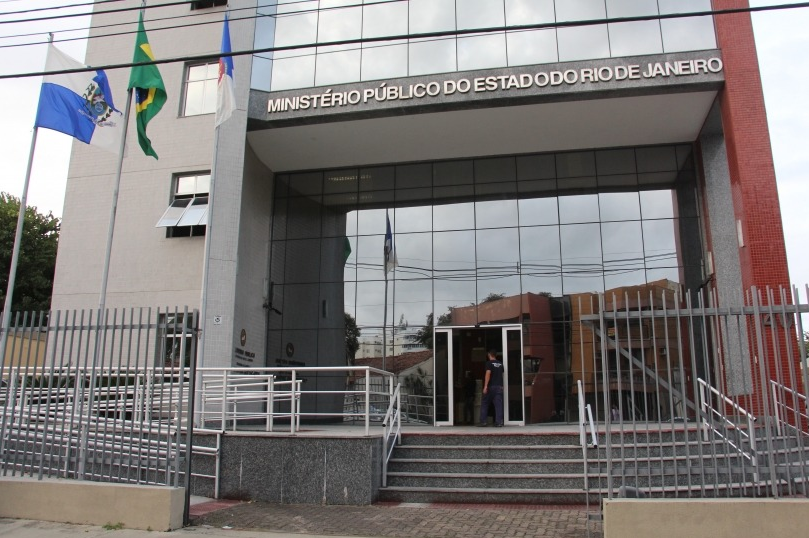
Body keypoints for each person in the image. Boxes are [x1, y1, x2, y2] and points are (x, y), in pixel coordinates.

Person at [478, 349, 504, 427]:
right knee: (498, 405)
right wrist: (502, 386)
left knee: (485, 403)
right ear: (496, 355)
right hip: (499, 387)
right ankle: (499, 422)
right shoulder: (500, 364)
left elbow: (488, 374)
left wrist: (485, 386)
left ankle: (483, 422)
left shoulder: (489, 363)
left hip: (491, 387)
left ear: (489, 355)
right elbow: (501, 375)